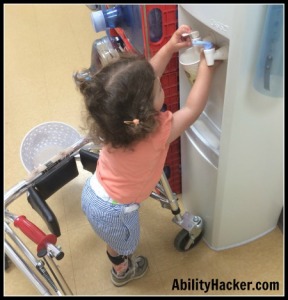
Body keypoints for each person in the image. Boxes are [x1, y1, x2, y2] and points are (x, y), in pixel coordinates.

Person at [74, 24, 219, 287]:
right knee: (122, 245)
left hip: (94, 192)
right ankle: (122, 270)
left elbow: (146, 77)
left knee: (111, 236)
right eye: (158, 89)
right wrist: (206, 68)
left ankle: (116, 253)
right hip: (116, 211)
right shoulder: (157, 133)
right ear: (143, 108)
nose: (160, 84)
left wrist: (171, 46)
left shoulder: (114, 122)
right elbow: (193, 109)